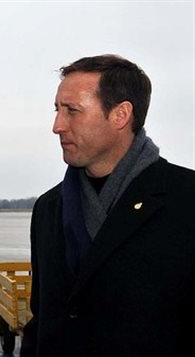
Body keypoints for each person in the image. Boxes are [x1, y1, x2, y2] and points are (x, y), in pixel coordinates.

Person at [20, 54, 195, 356]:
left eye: (72, 111)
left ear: (120, 115)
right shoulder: (48, 209)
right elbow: (41, 321)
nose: (57, 126)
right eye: (57, 110)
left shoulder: (186, 200)